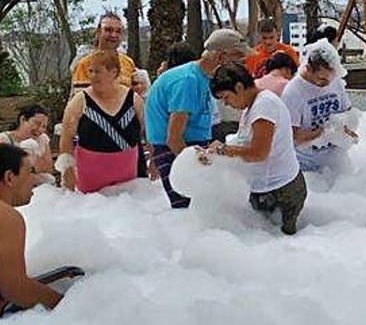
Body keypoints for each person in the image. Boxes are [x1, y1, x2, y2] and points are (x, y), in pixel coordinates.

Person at [146, 29, 252, 208]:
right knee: (188, 210)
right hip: (174, 150)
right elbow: (173, 138)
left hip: (194, 145)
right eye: (238, 59)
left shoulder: (203, 78)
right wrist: (196, 165)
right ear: (221, 57)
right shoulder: (188, 81)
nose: (241, 64)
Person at [201, 64, 307, 235]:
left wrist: (224, 151)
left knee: (280, 246)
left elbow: (259, 152)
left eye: (226, 97)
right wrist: (218, 149)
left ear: (239, 87)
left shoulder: (264, 106)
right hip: (266, 188)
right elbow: (244, 140)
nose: (226, 104)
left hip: (281, 191)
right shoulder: (252, 106)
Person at [57, 50, 147, 193]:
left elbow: (146, 131)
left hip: (127, 174)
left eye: (97, 71)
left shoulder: (134, 99)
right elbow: (66, 136)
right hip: (90, 177)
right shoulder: (80, 101)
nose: (92, 76)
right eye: (90, 71)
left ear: (114, 72)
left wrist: (154, 160)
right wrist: (67, 170)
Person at [0, 144, 64, 314]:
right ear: (9, 177)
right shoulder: (6, 216)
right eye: (30, 172)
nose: (35, 180)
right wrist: (68, 305)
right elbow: (15, 289)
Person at [281, 39, 357, 173]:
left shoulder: (335, 81)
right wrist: (324, 132)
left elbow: (347, 111)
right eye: (322, 79)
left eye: (330, 79)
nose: (327, 84)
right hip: (305, 162)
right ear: (308, 69)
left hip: (335, 157)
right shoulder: (292, 92)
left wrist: (347, 129)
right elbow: (294, 136)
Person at [71, 13, 137, 92]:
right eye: (108, 30)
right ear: (98, 32)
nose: (113, 35)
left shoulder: (128, 63)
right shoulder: (85, 64)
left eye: (118, 31)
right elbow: (81, 100)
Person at [0, 105, 52, 174]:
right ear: (23, 119)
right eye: (37, 123)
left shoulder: (43, 139)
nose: (40, 129)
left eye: (44, 126)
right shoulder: (4, 139)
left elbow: (48, 169)